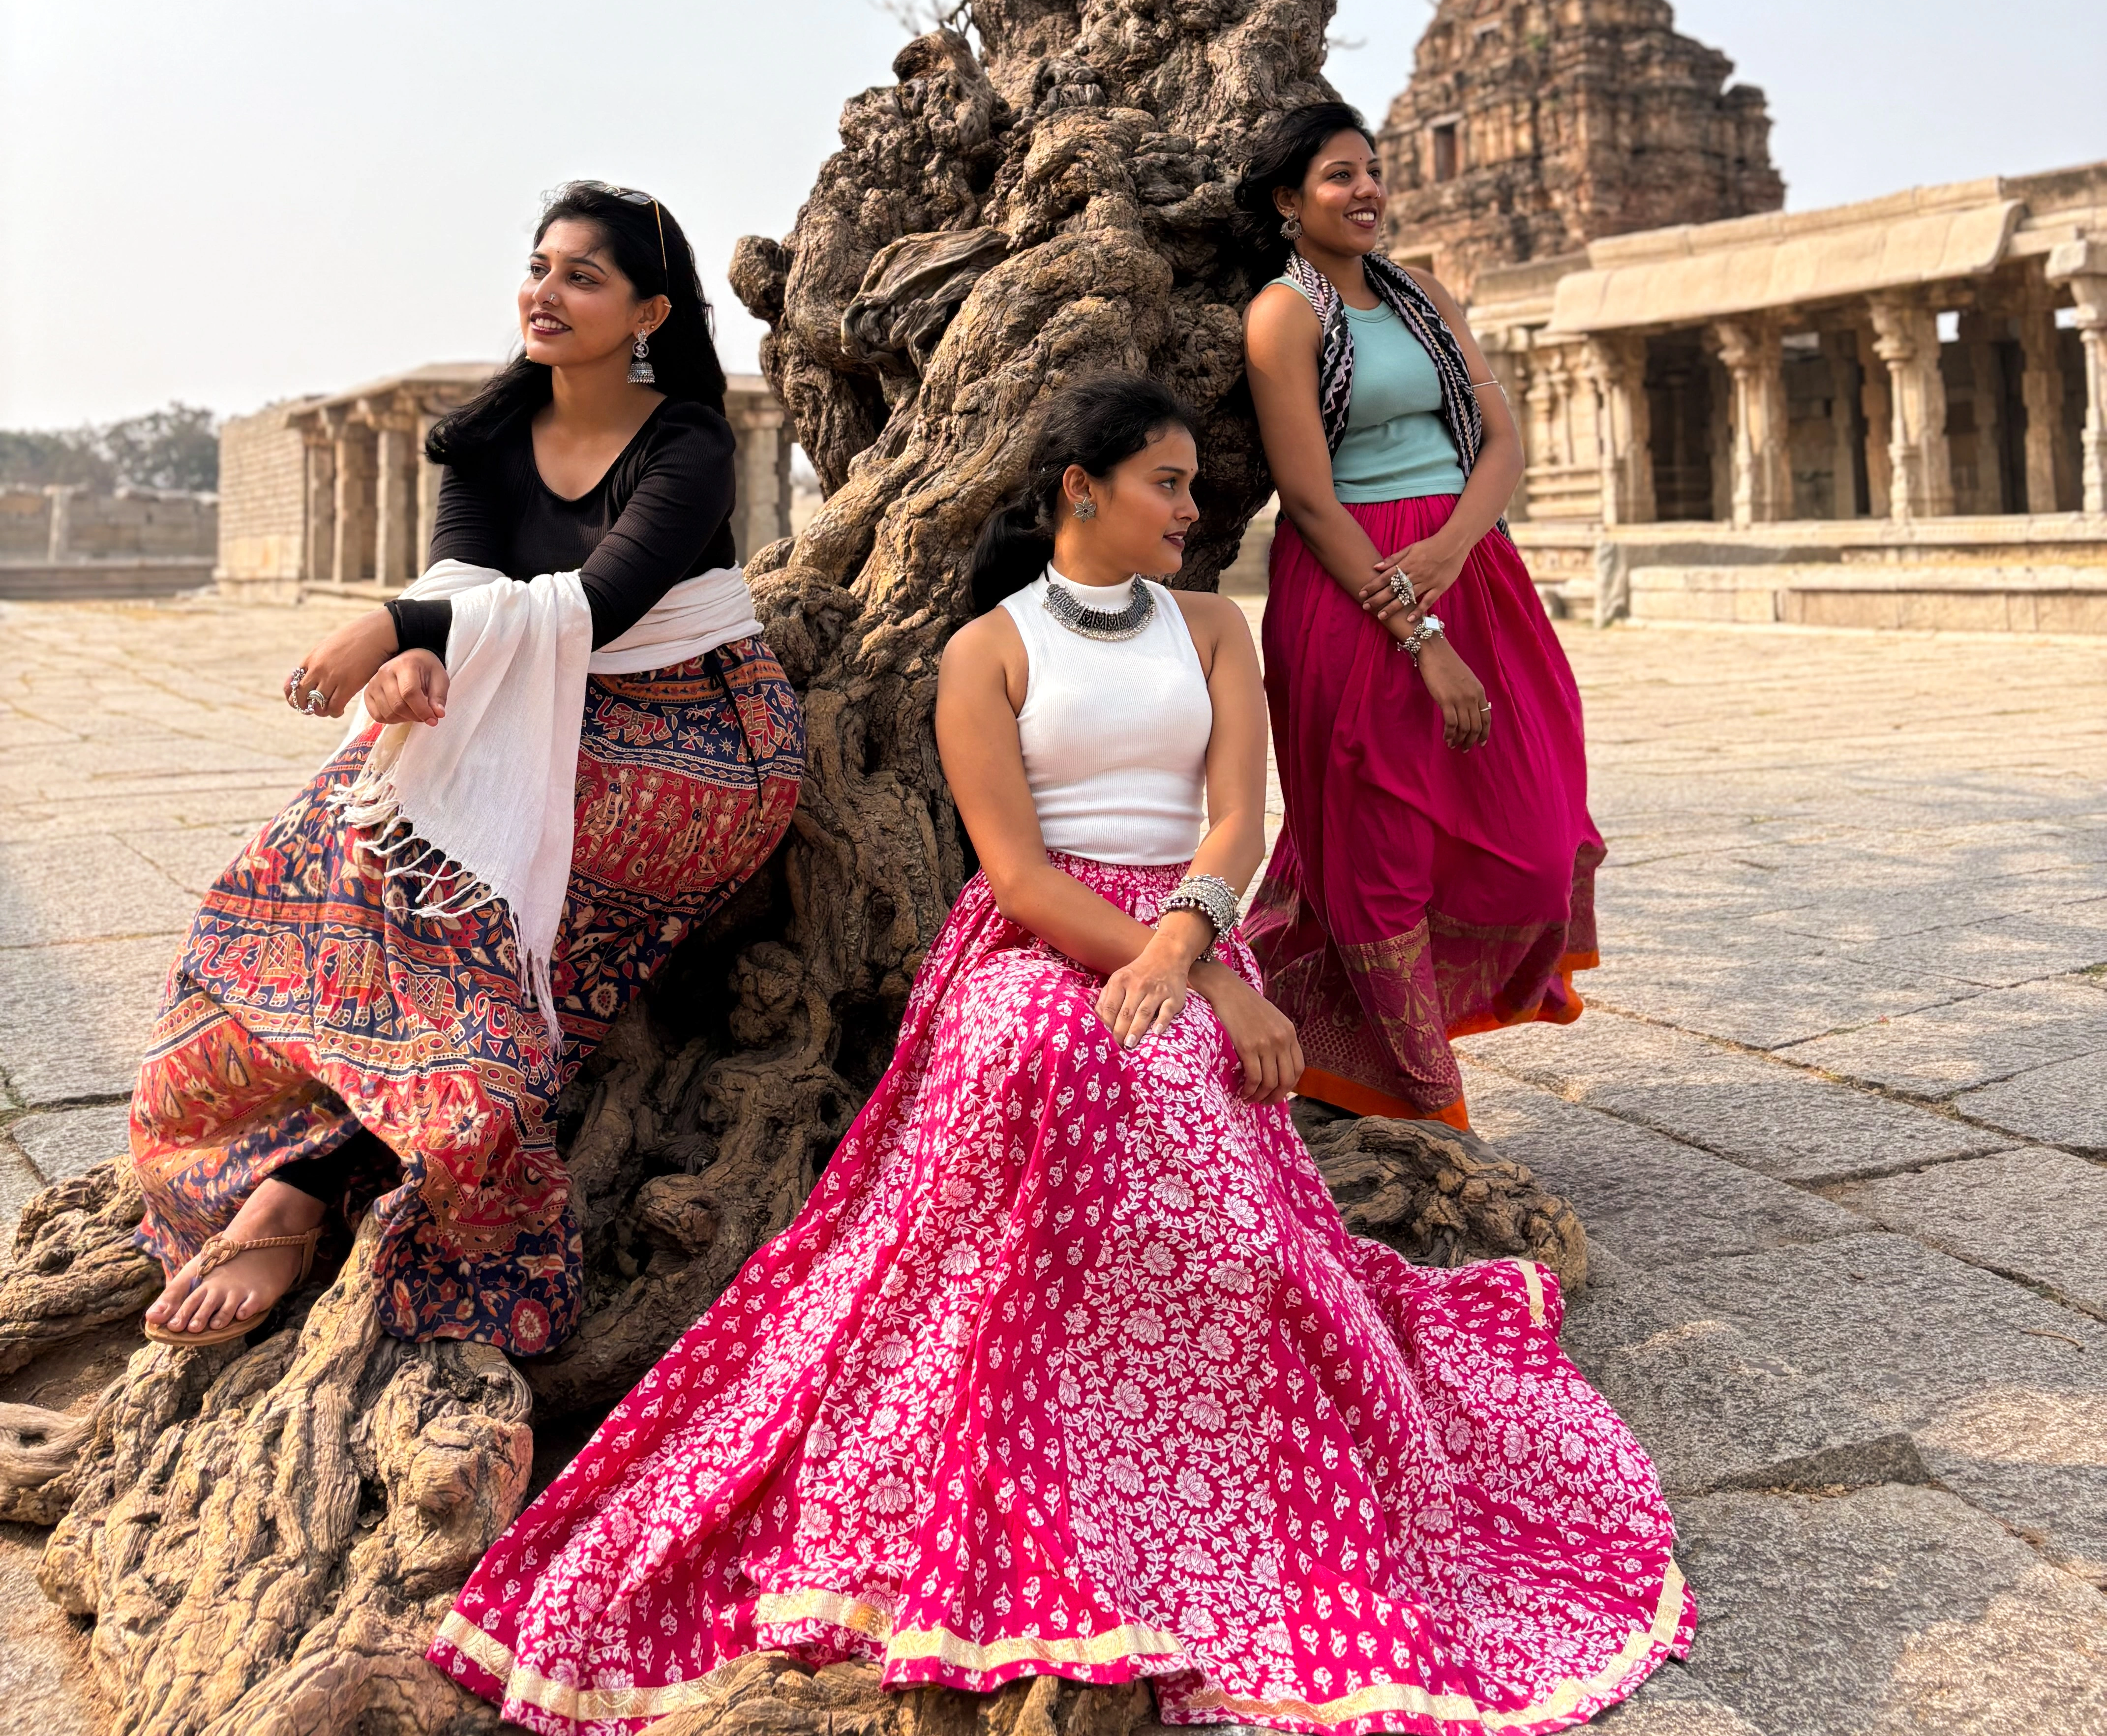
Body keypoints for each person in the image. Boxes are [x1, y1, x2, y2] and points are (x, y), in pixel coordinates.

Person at [428, 377, 1689, 1736]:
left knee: (1189, 1123)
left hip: (1187, 917)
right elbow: (1017, 872)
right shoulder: (989, 650)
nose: (1194, 510)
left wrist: (1193, 957)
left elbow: (1235, 825)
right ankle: (1033, 1433)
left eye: (1197, 486)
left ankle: (1188, 1479)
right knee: (1039, 1056)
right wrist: (1162, 968)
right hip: (1044, 940)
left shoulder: (1214, 625)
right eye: (1168, 484)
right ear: (1080, 488)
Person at [133, 182, 805, 1357]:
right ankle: (312, 1146)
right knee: (326, 844)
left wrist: (393, 633)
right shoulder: (488, 435)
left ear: (649, 310)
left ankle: (317, 1181)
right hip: (517, 702)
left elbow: (597, 608)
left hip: (694, 734)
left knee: (480, 903)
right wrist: (407, 666)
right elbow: (467, 598)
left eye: (582, 276)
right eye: (538, 267)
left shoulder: (688, 440)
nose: (544, 293)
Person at [1238, 103, 1603, 1133]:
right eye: (1337, 177)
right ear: (1287, 202)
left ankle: (1320, 1040)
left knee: (1532, 838)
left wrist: (1449, 552)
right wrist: (1420, 631)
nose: (1366, 192)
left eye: (1374, 172)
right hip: (1359, 592)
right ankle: (1426, 1107)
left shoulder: (1426, 295)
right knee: (1379, 851)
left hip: (1471, 569)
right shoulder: (1284, 316)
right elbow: (1310, 499)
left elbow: (1502, 443)